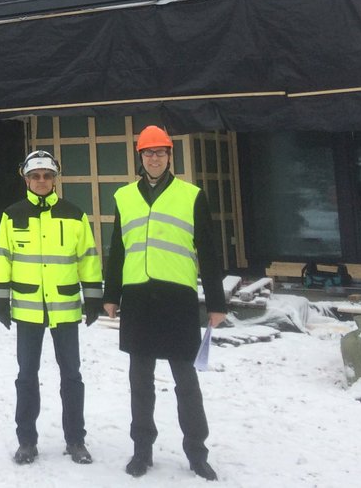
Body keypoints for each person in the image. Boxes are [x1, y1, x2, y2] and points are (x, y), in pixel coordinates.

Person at [102, 126, 227, 481]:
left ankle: (196, 452)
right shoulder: (124, 197)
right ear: (139, 158)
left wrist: (216, 303)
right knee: (140, 382)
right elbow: (118, 249)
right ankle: (142, 450)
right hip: (138, 299)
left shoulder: (191, 195)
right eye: (147, 153)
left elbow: (209, 252)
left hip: (177, 300)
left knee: (186, 382)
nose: (153, 158)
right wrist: (112, 295)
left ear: (170, 156)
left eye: (160, 152)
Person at [0, 149, 104, 466]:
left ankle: (76, 440)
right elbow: (3, 258)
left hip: (65, 308)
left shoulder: (74, 215)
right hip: (27, 310)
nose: (41, 181)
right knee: (26, 376)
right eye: (35, 176)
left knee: (72, 376)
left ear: (55, 178)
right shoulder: (12, 216)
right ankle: (26, 441)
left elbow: (88, 259)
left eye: (47, 175)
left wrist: (93, 297)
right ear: (26, 179)